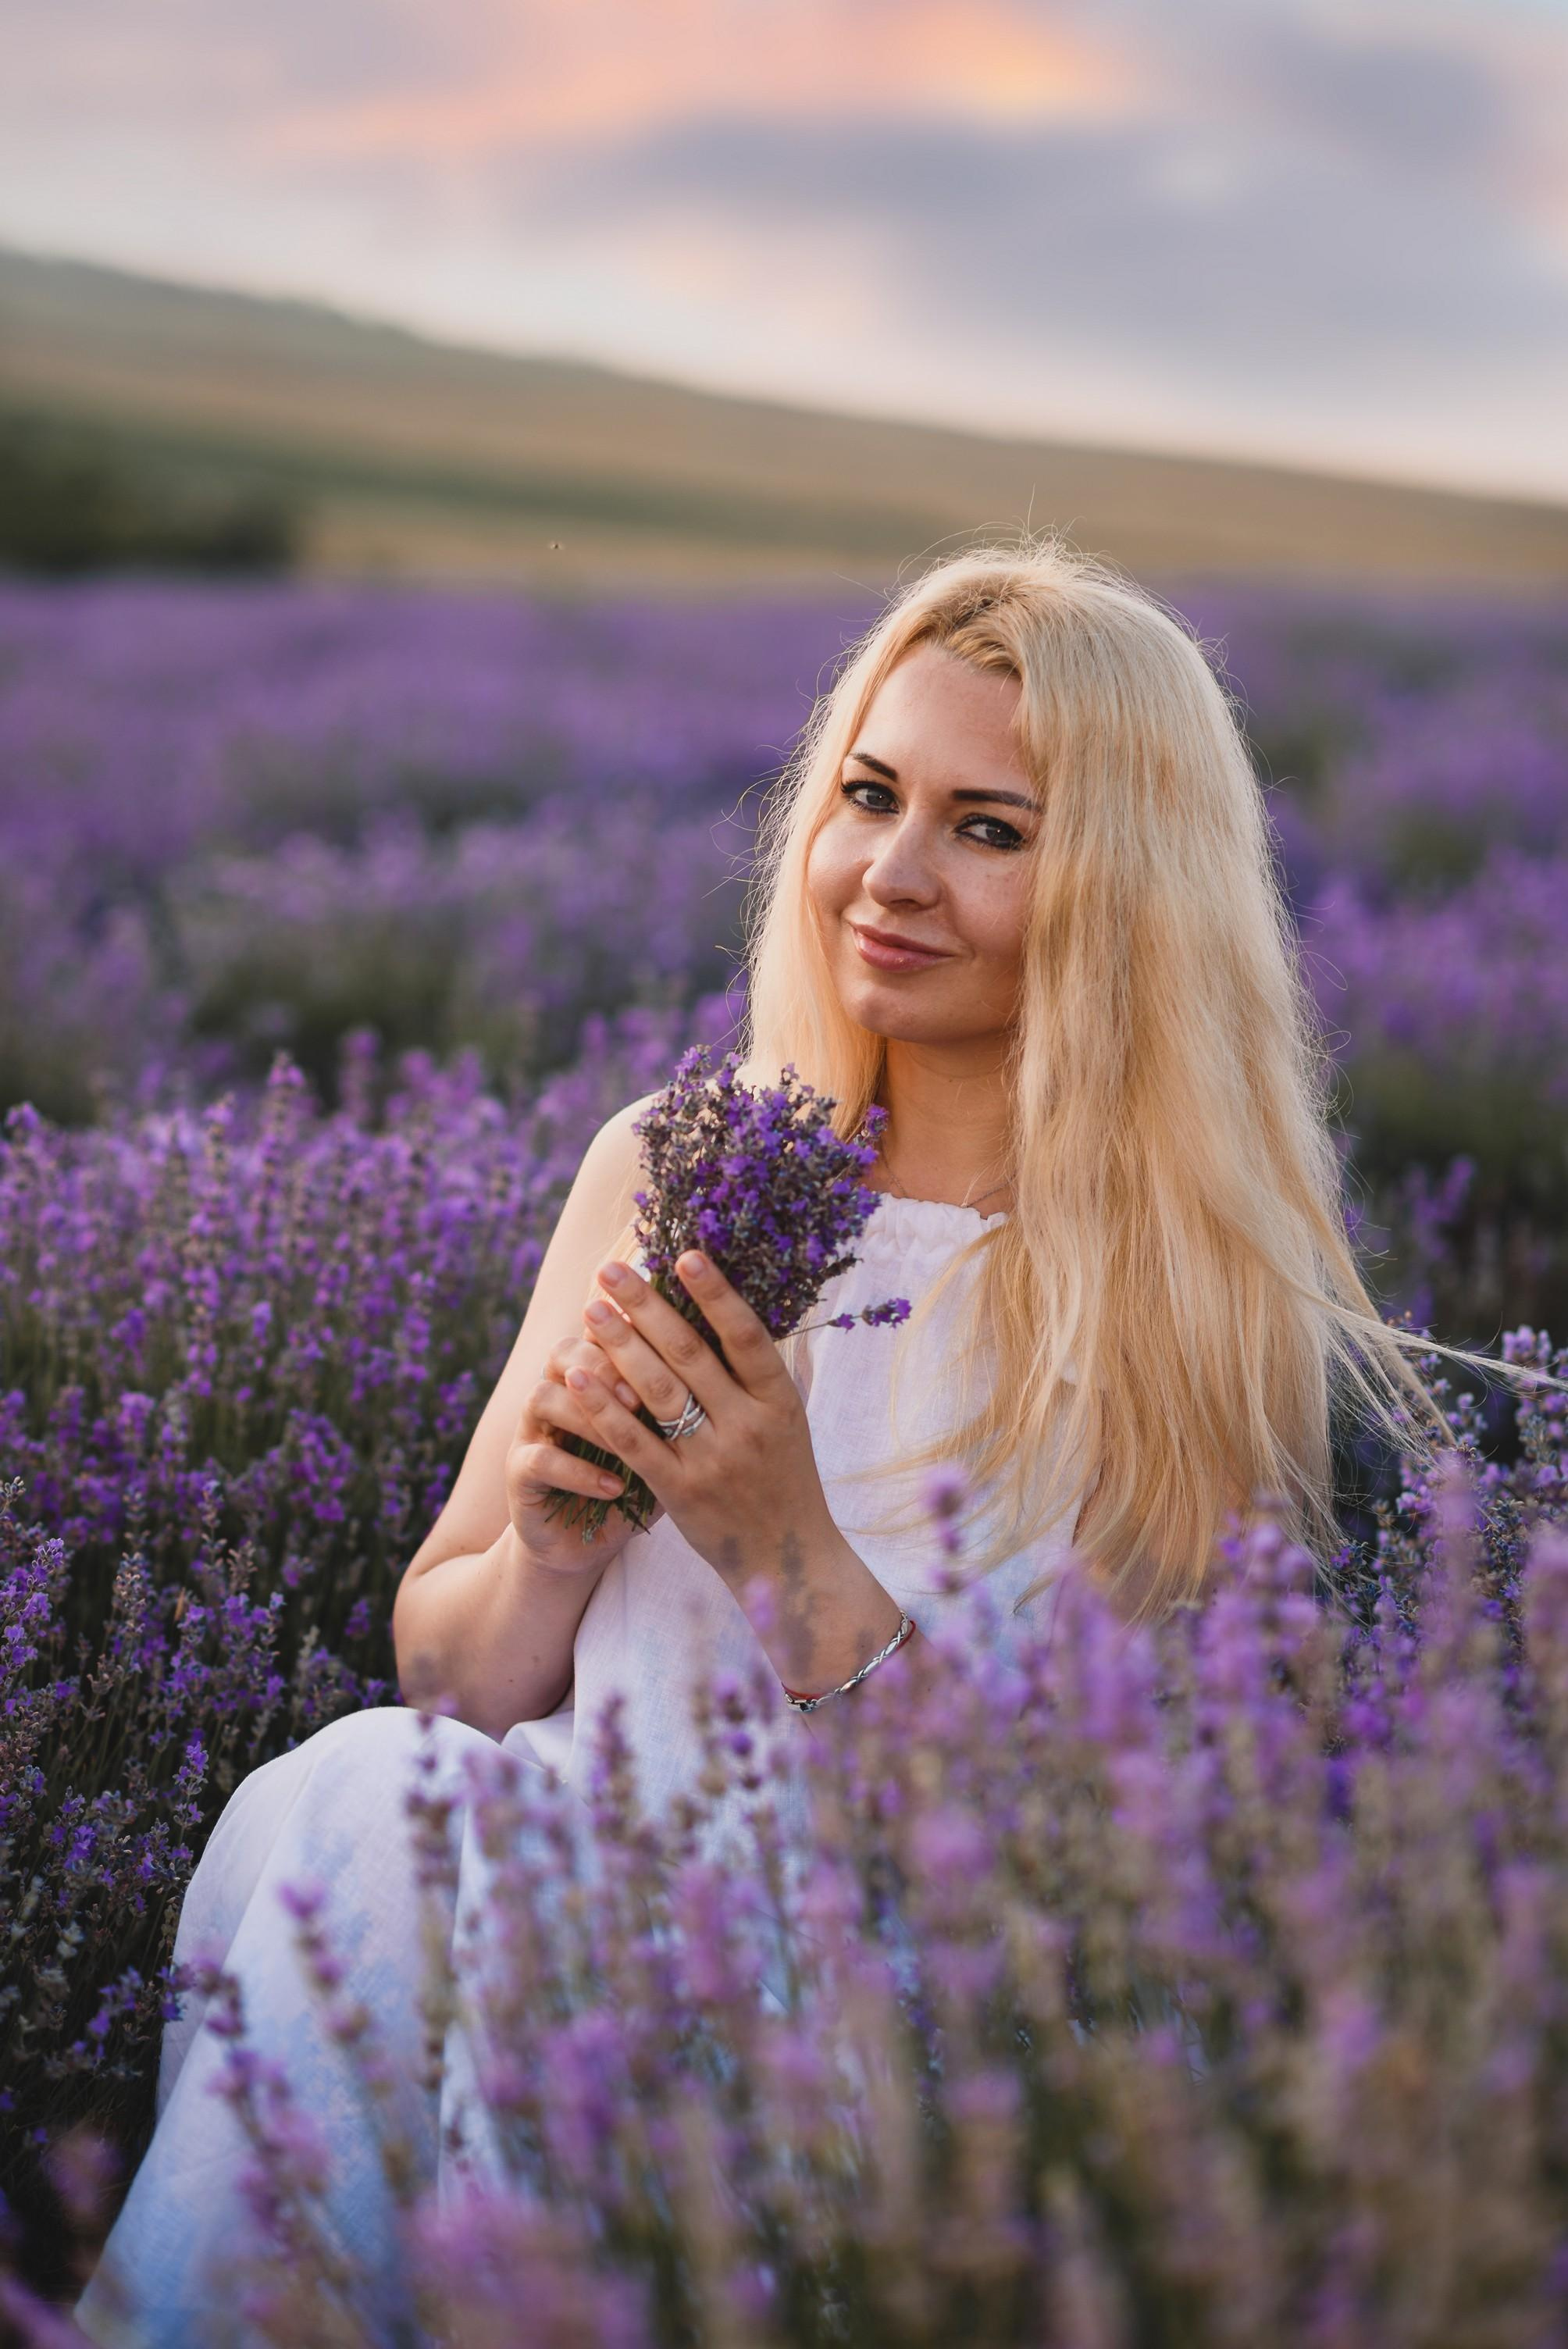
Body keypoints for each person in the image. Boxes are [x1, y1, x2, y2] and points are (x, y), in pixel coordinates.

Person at [76, 538, 1444, 2344]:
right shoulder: (671, 1167)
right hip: (545, 1862)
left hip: (869, 1999)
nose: (887, 872)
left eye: (987, 828)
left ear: (1125, 887)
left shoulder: (1194, 1314)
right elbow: (444, 1669)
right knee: (375, 1793)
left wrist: (777, 1541)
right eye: (868, 795)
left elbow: (1082, 1878)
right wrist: (563, 1536)